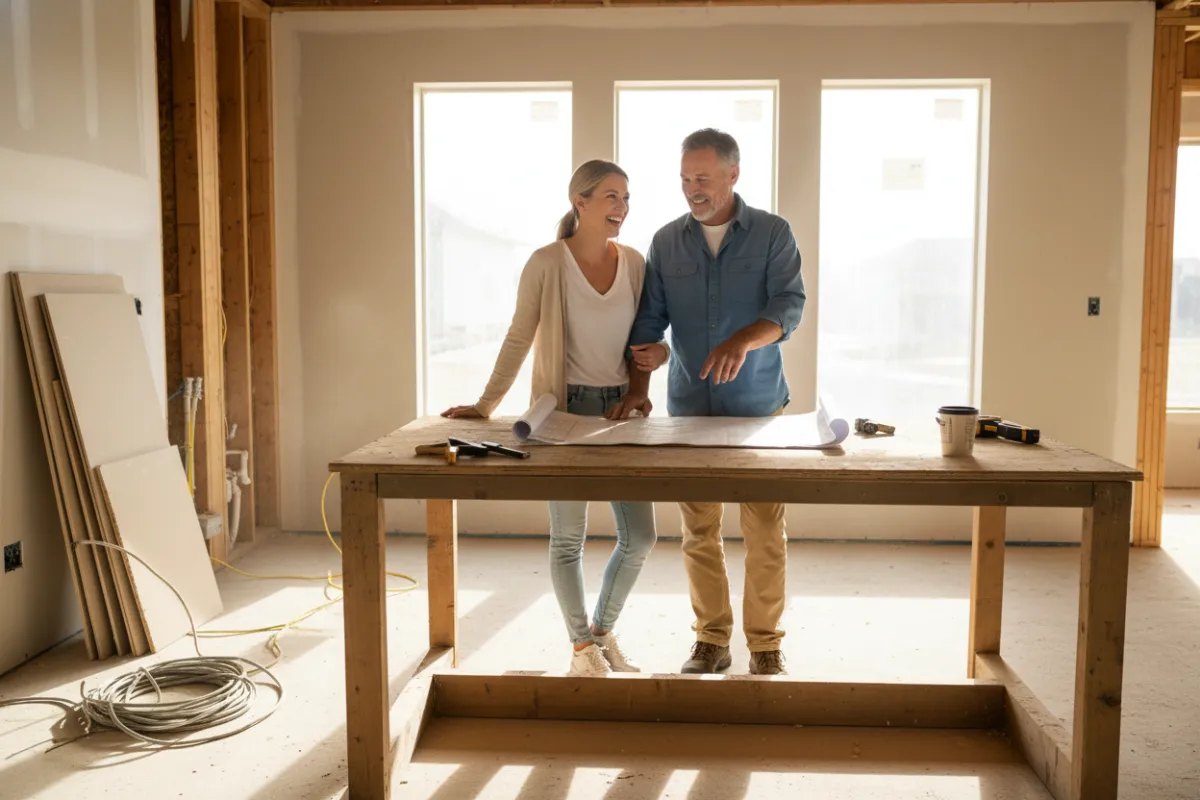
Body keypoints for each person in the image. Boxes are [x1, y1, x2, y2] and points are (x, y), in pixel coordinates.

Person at [441, 159, 669, 677]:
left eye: (627, 197)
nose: (622, 207)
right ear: (580, 202)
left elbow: (650, 338)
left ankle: (602, 632)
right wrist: (486, 404)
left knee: (642, 535)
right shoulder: (546, 262)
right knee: (569, 538)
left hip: (620, 410)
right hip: (564, 412)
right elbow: (519, 336)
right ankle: (581, 649)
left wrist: (662, 358)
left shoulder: (634, 262)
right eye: (611, 196)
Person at [608, 129, 806, 676]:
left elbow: (790, 306)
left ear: (732, 175)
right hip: (690, 410)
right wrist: (641, 385)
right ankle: (711, 641)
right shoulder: (667, 242)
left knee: (764, 530)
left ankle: (765, 646)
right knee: (699, 530)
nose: (692, 189)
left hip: (758, 409)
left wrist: (742, 339)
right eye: (685, 179)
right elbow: (651, 322)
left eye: (703, 178)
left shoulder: (772, 233)